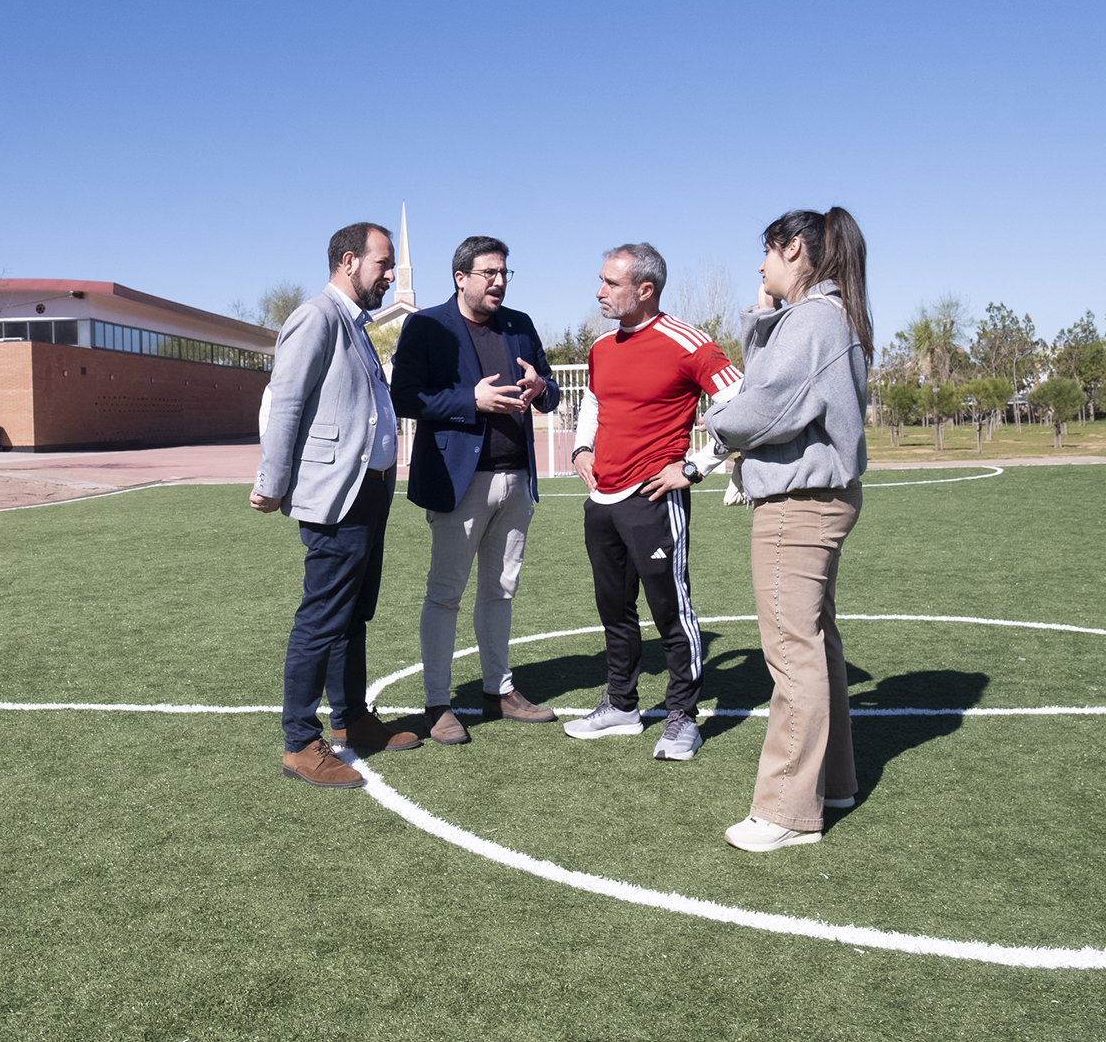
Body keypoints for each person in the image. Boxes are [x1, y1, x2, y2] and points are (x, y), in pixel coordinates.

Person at [704, 207, 872, 852]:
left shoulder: (813, 320)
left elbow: (765, 405)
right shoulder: (829, 317)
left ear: (797, 250)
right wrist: (759, 316)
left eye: (769, 253)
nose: (760, 265)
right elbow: (779, 386)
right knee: (816, 643)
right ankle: (832, 784)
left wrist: (715, 426)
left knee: (791, 654)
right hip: (821, 498)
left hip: (798, 504)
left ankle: (785, 811)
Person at [252, 222, 421, 788]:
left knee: (355, 612)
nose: (390, 274)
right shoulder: (317, 317)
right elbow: (286, 403)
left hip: (367, 491)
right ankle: (301, 742)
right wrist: (271, 480)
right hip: (335, 495)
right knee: (322, 617)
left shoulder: (355, 325)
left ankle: (351, 721)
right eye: (383, 263)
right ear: (349, 262)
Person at [565, 244, 744, 760]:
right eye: (600, 280)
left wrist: (696, 466)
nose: (599, 291)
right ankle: (621, 705)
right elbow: (595, 400)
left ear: (645, 290)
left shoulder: (687, 342)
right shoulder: (602, 348)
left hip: (653, 496)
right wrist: (581, 446)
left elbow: (741, 402)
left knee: (672, 610)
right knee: (613, 610)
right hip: (602, 499)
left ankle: (683, 717)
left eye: (610, 283)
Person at [390, 235, 563, 745]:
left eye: (505, 273)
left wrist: (541, 390)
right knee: (445, 594)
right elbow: (405, 396)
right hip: (457, 482)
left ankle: (499, 689)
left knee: (501, 591)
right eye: (489, 273)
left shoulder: (521, 325)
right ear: (460, 277)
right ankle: (437, 703)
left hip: (516, 480)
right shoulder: (426, 325)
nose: (499, 282)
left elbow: (549, 392)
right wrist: (471, 399)